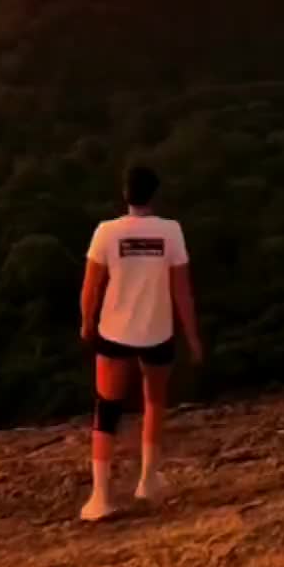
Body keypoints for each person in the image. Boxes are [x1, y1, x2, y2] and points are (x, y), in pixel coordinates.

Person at [78, 162, 202, 521]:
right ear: (155, 194)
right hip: (157, 331)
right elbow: (182, 291)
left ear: (125, 194)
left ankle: (100, 497)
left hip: (114, 331)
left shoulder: (106, 232)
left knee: (107, 409)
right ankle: (147, 480)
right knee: (154, 403)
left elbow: (91, 287)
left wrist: (87, 323)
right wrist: (192, 336)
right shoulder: (171, 232)